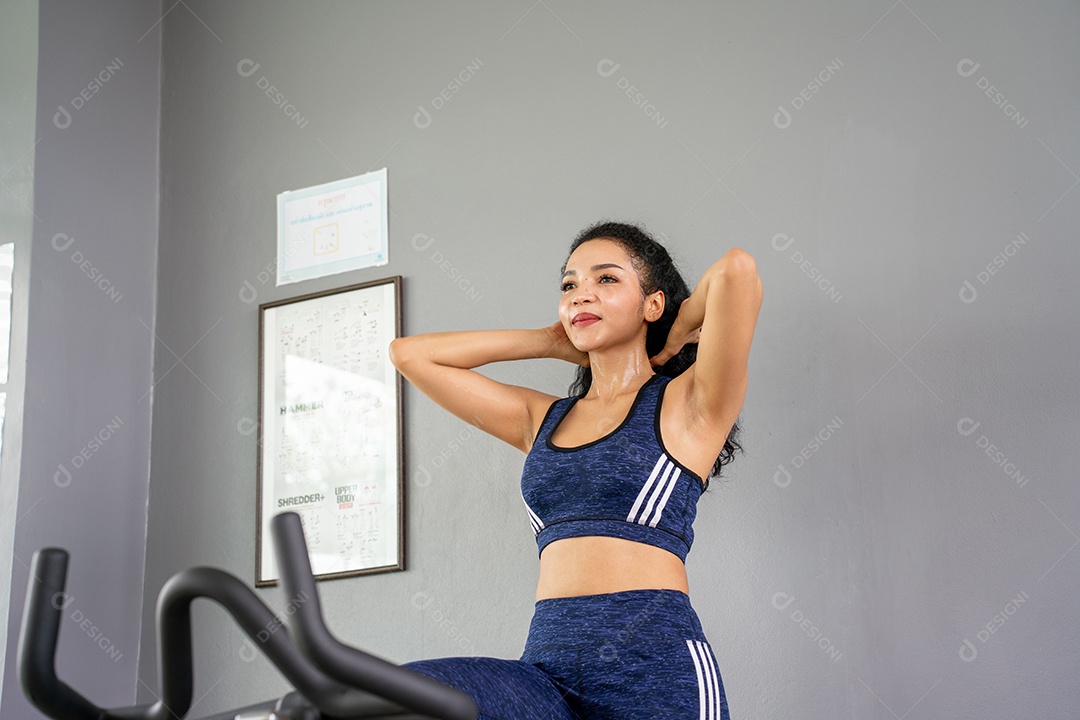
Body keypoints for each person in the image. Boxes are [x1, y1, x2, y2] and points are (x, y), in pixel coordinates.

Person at [389, 221, 763, 720]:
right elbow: (410, 355)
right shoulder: (541, 419)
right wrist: (547, 340)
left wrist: (673, 332)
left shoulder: (688, 405)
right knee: (401, 695)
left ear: (651, 303)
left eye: (606, 280)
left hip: (654, 667)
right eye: (570, 286)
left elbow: (737, 271)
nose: (582, 294)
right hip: (548, 666)